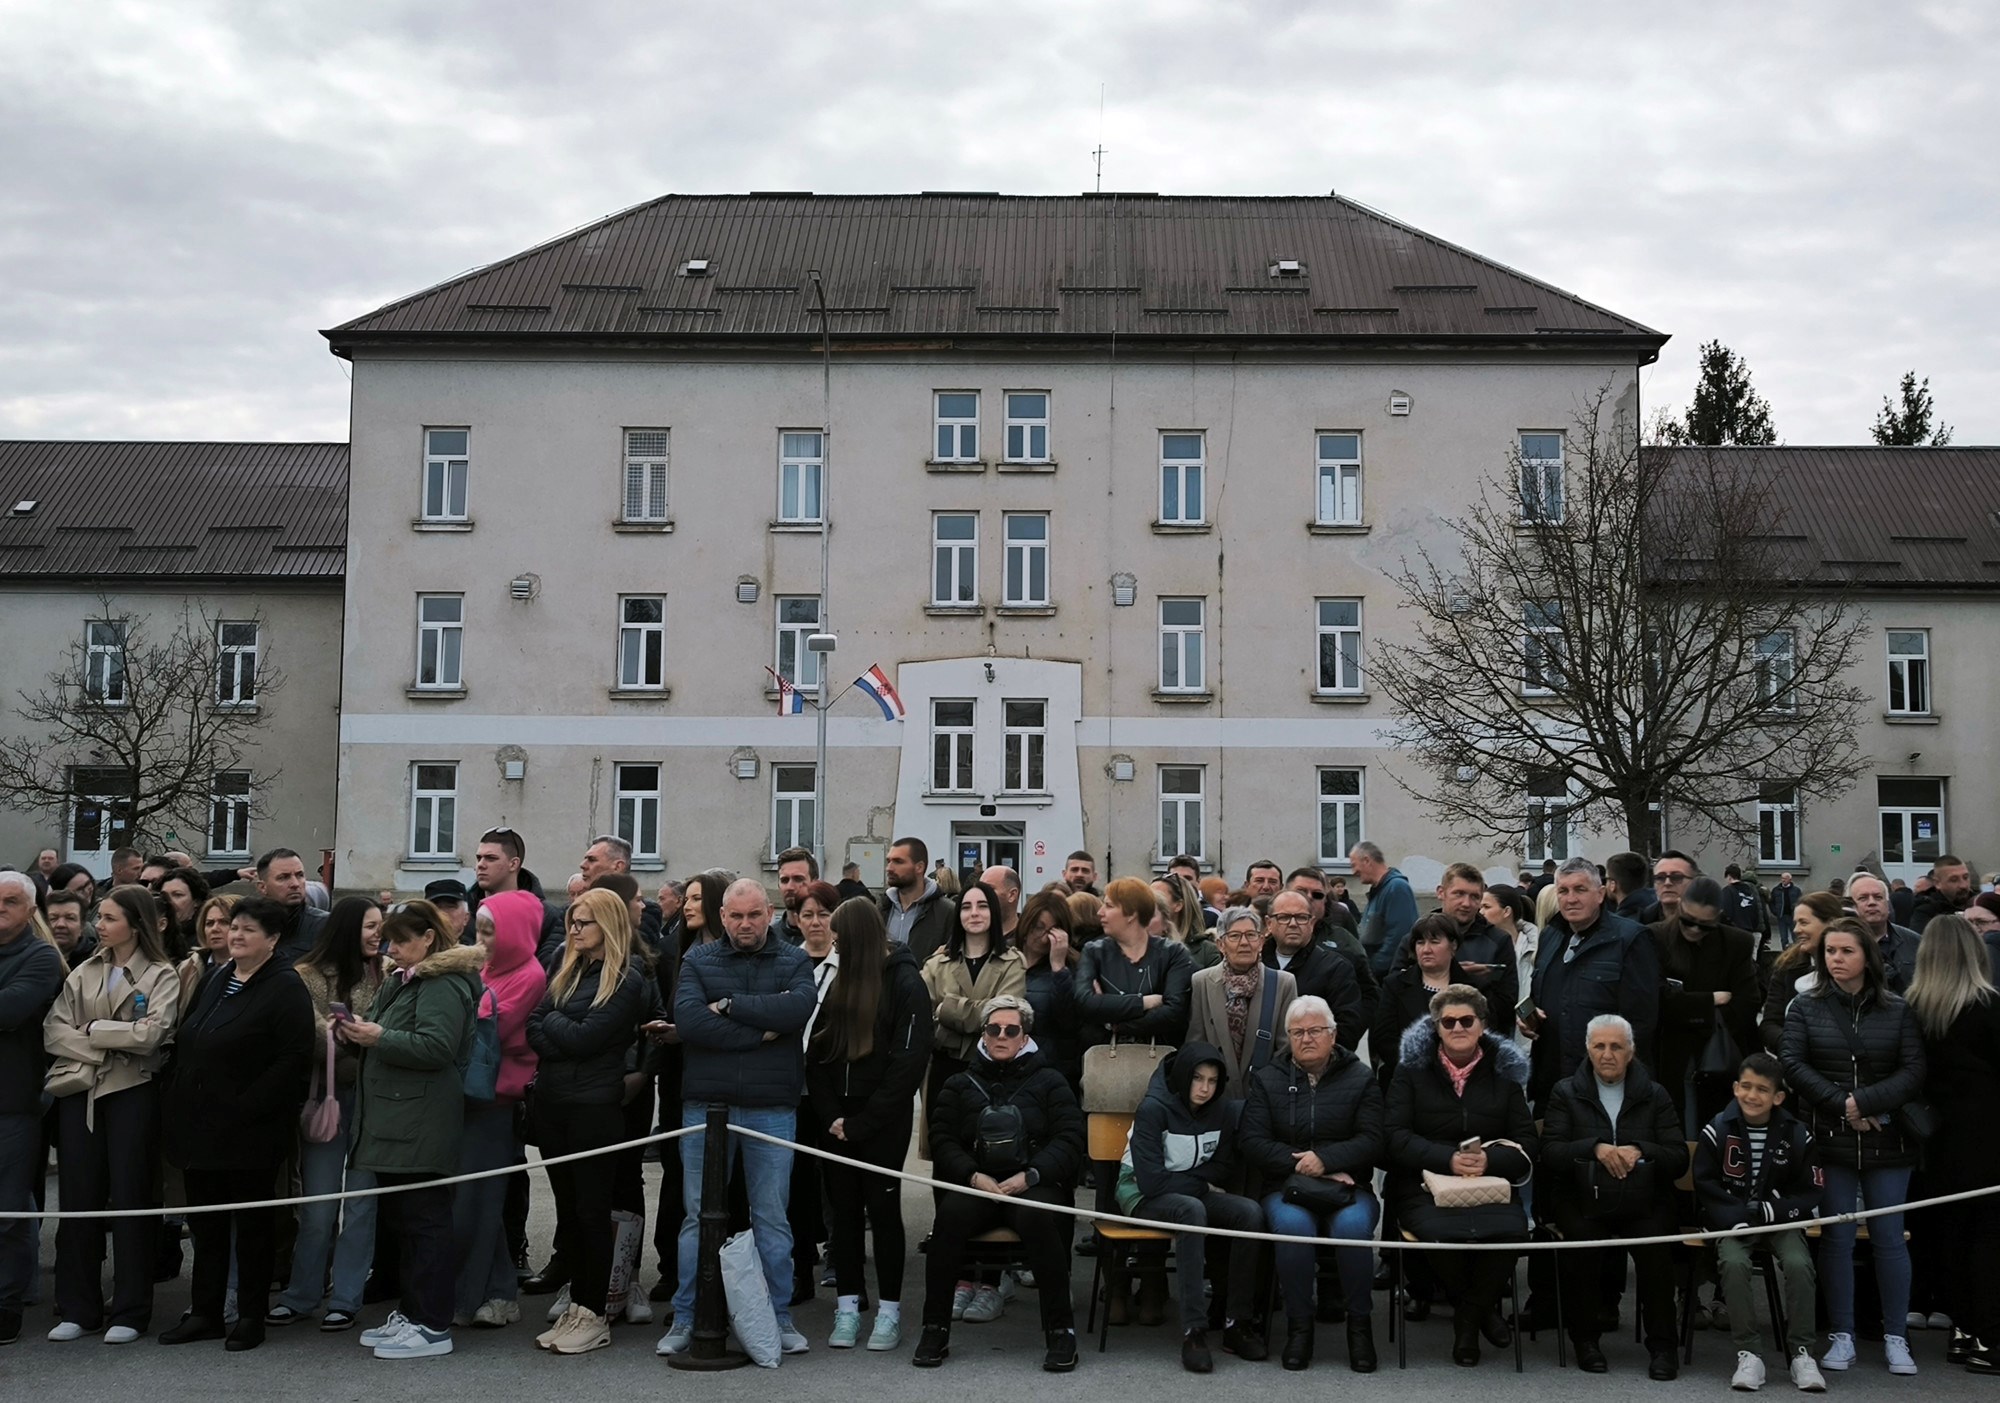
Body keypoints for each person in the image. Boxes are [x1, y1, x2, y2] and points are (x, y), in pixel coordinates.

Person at [659, 878, 815, 1359]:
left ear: (768, 912)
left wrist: (729, 1006)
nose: (744, 924)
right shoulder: (697, 960)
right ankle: (686, 1316)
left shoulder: (795, 958)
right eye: (735, 916)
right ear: (721, 916)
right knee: (696, 1219)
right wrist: (760, 1033)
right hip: (707, 1104)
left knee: (772, 1218)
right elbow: (688, 1022)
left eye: (753, 915)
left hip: (773, 1106)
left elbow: (797, 1009)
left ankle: (778, 1317)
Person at [158, 896, 314, 1351]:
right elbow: (190, 1037)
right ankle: (205, 1311)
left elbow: (292, 1060)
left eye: (247, 929)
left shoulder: (284, 985)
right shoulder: (218, 976)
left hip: (250, 1129)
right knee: (206, 1228)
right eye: (233, 927)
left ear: (273, 939)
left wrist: (247, 1105)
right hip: (199, 1124)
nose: (236, 935)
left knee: (251, 1230)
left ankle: (250, 1315)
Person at [1780, 916, 1927, 1375]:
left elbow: (1913, 1069)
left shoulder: (1898, 1009)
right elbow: (1792, 1062)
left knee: (1888, 1239)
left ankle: (1896, 1334)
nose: (1836, 959)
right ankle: (1841, 1334)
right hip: (1830, 1139)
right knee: (1837, 1239)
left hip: (1888, 1139)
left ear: (1868, 956)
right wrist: (1842, 1105)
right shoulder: (1805, 1006)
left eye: (1846, 951)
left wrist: (1865, 1103)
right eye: (1830, 952)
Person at [342, 898, 485, 1361]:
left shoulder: (441, 981)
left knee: (425, 1224)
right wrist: (359, 1028)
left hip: (419, 1119)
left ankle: (432, 1324)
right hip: (398, 1118)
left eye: (402, 940)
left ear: (428, 938)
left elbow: (437, 1047)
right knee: (407, 1224)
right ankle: (413, 1313)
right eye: (389, 939)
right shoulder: (409, 979)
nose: (393, 948)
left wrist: (377, 1037)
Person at [914, 994, 1085, 1372]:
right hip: (979, 1184)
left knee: (1043, 1220)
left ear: (1025, 1037)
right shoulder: (959, 1083)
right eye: (994, 1028)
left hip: (1032, 1183)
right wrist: (972, 1176)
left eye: (1012, 1029)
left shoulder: (1051, 1081)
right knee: (948, 1222)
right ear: (984, 1035)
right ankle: (935, 1327)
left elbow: (1071, 1138)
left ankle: (1061, 1333)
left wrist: (1032, 1174)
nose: (1002, 1035)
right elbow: (942, 1139)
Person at [42, 883, 179, 1343]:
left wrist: (96, 1029)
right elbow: (54, 1031)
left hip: (133, 1094)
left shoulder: (162, 974)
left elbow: (151, 1035)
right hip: (80, 1093)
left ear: (134, 924)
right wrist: (109, 1042)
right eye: (98, 917)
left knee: (132, 1199)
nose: (97, 925)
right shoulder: (83, 970)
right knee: (78, 1199)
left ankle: (130, 1310)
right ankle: (78, 1307)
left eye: (108, 918)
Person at [1385, 984, 1537, 1368]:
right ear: (1436, 1027)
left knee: (1512, 1234)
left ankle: (1468, 1317)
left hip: (1490, 1184)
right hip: (1425, 1184)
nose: (1457, 1028)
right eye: (1447, 1021)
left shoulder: (1505, 1073)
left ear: (1482, 1025)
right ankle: (1478, 1313)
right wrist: (1446, 1159)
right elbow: (1394, 1138)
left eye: (1466, 1020)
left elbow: (1527, 1144)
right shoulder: (1410, 1072)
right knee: (1440, 1235)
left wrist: (1489, 1160)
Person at [526, 886, 650, 1354]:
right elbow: (533, 1026)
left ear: (608, 925)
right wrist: (564, 1032)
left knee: (592, 1213)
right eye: (572, 922)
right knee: (568, 1213)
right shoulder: (567, 968)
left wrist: (561, 1031)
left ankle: (595, 1312)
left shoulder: (629, 976)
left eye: (583, 922)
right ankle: (578, 1304)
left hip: (594, 1109)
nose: (573, 930)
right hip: (554, 1106)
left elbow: (587, 1037)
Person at [807, 898, 932, 1351]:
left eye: (840, 938)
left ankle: (890, 1311)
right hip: (838, 1117)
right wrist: (831, 1116)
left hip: (881, 1118)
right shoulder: (837, 981)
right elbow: (817, 1055)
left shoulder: (904, 981)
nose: (833, 945)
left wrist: (863, 1122)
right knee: (842, 1211)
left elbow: (907, 1062)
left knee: (883, 1212)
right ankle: (847, 1306)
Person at [1538, 1013, 1687, 1378]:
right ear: (1587, 1049)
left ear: (1631, 1051)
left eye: (1616, 1046)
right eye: (1599, 1046)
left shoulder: (1655, 1093)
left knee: (1656, 1249)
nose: (1607, 1054)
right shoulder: (1565, 1092)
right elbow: (1551, 1152)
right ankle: (1585, 1341)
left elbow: (1679, 1158)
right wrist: (1595, 1148)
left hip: (1644, 1198)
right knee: (1583, 1245)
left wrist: (1640, 1148)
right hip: (1580, 1197)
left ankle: (1663, 1347)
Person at [1241, 994, 1383, 1372]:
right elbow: (1252, 1141)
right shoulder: (1268, 1078)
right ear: (1288, 1037)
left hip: (1350, 1187)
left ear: (1333, 1035)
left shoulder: (1361, 1077)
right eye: (1298, 1032)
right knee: (1294, 1229)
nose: (1306, 1038)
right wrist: (1307, 1165)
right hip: (1286, 1187)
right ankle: (1299, 1326)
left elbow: (1373, 1139)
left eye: (1315, 1030)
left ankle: (1359, 1325)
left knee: (1353, 1230)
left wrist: (1328, 1160)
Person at [268, 896, 386, 1330]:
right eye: (370, 926)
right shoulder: (307, 975)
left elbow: (389, 1030)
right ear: (346, 928)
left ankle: (347, 1298)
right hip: (327, 1099)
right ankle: (302, 1293)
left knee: (360, 1205)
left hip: (374, 1103)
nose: (379, 934)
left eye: (381, 925)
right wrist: (351, 1036)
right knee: (317, 1206)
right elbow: (309, 1033)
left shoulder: (388, 974)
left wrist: (361, 1036)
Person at [1118, 1040, 1266, 1372]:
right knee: (1192, 1211)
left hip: (1188, 1191)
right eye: (1198, 1079)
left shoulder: (1223, 1110)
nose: (1204, 1088)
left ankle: (1236, 1322)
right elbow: (1151, 1181)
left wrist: (1197, 1183)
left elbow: (1223, 1166)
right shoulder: (1154, 1108)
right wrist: (1200, 1183)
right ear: (1184, 1076)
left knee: (1249, 1213)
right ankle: (1193, 1330)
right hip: (1141, 1194)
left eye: (1212, 1081)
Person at [920, 880, 1027, 1324]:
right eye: (967, 906)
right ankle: (961, 1275)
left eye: (983, 905)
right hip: (947, 1071)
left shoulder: (1013, 960)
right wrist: (969, 1013)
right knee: (950, 1171)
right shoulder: (937, 961)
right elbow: (926, 1013)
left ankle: (991, 1279)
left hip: (994, 1075)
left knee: (994, 1167)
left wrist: (952, 1009)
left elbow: (1004, 1016)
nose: (975, 913)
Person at [1693, 1052, 1828, 1393]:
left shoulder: (1798, 1134)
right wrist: (1734, 1218)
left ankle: (1802, 1353)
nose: (1753, 1096)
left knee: (1799, 1264)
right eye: (1746, 1087)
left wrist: (1773, 1212)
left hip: (1778, 1220)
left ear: (1778, 1097)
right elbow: (1705, 1184)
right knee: (1735, 1264)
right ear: (1736, 1087)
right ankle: (1749, 1352)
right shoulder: (1717, 1128)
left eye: (1763, 1090)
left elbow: (1812, 1190)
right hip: (1733, 1222)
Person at [1905, 916, 2000, 1373]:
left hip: (1934, 1138)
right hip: (1986, 1137)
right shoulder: (1988, 1007)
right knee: (1987, 1239)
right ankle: (1988, 1337)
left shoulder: (1913, 1010)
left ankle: (1965, 1330)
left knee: (1951, 1237)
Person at [452, 889, 546, 1330]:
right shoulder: (485, 968)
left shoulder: (529, 975)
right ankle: (491, 1290)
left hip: (495, 1102)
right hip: (471, 1097)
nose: (482, 939)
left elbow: (490, 1025)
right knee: (469, 1203)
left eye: (491, 931)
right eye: (480, 929)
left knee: (479, 1204)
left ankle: (483, 1294)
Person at [1525, 856, 1659, 1108]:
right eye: (1563, 891)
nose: (1570, 898)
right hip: (1552, 1081)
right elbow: (1542, 994)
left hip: (1605, 1085)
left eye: (1580, 889)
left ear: (1600, 894)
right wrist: (1531, 1019)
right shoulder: (1550, 936)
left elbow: (1641, 1021)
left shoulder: (1630, 939)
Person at [0, 871, 65, 1347]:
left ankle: (7, 1304)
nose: (0, 909)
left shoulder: (40, 956)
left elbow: (11, 1009)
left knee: (8, 1207)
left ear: (29, 909)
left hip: (14, 1100)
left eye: (9, 902)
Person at [1650, 875, 1760, 1132]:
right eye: (1688, 921)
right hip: (1670, 1055)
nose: (1695, 930)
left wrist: (1687, 1007)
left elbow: (1747, 1003)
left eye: (1705, 925)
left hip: (1721, 1056)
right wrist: (1711, 1000)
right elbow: (1657, 1001)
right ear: (1679, 908)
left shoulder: (1736, 943)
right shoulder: (1656, 937)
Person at [1074, 877, 1194, 1057]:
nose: (1100, 912)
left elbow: (1174, 1012)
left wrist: (1113, 1023)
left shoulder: (1173, 953)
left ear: (1131, 914)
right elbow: (1085, 1002)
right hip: (1105, 1061)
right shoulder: (1094, 952)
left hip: (1160, 1061)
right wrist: (1144, 1002)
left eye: (1109, 905)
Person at [1189, 906, 1296, 1095]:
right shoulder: (1201, 982)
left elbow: (1286, 1047)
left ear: (1261, 942)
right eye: (1235, 936)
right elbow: (1196, 1042)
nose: (1244, 943)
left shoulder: (1282, 983)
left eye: (1251, 935)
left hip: (1264, 1093)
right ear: (1221, 945)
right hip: (1216, 1094)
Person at [1371, 915, 1474, 1084]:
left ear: (1453, 945)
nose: (1426, 949)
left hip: (1459, 1082)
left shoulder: (1472, 989)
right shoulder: (1395, 985)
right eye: (1420, 942)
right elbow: (1384, 1038)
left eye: (1434, 942)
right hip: (1406, 1082)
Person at [1262, 889, 1368, 1049]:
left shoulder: (1335, 968)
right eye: (1284, 917)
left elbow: (1348, 1029)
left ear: (1311, 923)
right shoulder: (1257, 965)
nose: (1293, 924)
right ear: (1269, 924)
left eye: (1301, 917)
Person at [1760, 891, 1842, 1052]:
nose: (1796, 930)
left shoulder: (1854, 966)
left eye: (1804, 923)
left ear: (1831, 923)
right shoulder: (1787, 967)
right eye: (1796, 923)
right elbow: (1769, 1025)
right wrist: (1793, 1047)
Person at [1017, 890, 1079, 1088]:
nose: (1044, 938)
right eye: (1038, 927)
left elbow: (1068, 1020)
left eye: (1052, 931)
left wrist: (1058, 967)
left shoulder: (1073, 967)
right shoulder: (1007, 958)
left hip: (1051, 1069)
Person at [878, 837, 956, 963]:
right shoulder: (882, 908)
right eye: (889, 861)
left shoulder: (947, 912)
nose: (889, 868)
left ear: (919, 867)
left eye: (898, 861)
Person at [1349, 841, 1416, 978]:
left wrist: (1373, 969)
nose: (1353, 872)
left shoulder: (1396, 888)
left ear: (1366, 860)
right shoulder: (1378, 892)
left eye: (1354, 865)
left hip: (1386, 978)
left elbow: (1399, 936)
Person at [1847, 874, 1922, 994]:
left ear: (1887, 905)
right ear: (1852, 906)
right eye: (1863, 898)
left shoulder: (1915, 942)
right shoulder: (1838, 945)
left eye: (1878, 897)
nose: (1872, 903)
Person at [252, 847, 327, 963]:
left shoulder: (325, 925)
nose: (295, 884)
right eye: (283, 877)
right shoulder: (250, 924)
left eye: (300, 875)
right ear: (262, 887)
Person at [1152, 873, 1216, 969]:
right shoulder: (1140, 945)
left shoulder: (1206, 951)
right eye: (1148, 895)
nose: (1150, 901)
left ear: (1178, 905)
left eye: (1159, 897)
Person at [44, 887, 97, 968]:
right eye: (53, 918)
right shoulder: (30, 957)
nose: (60, 924)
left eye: (70, 918)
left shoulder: (95, 960)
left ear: (82, 926)